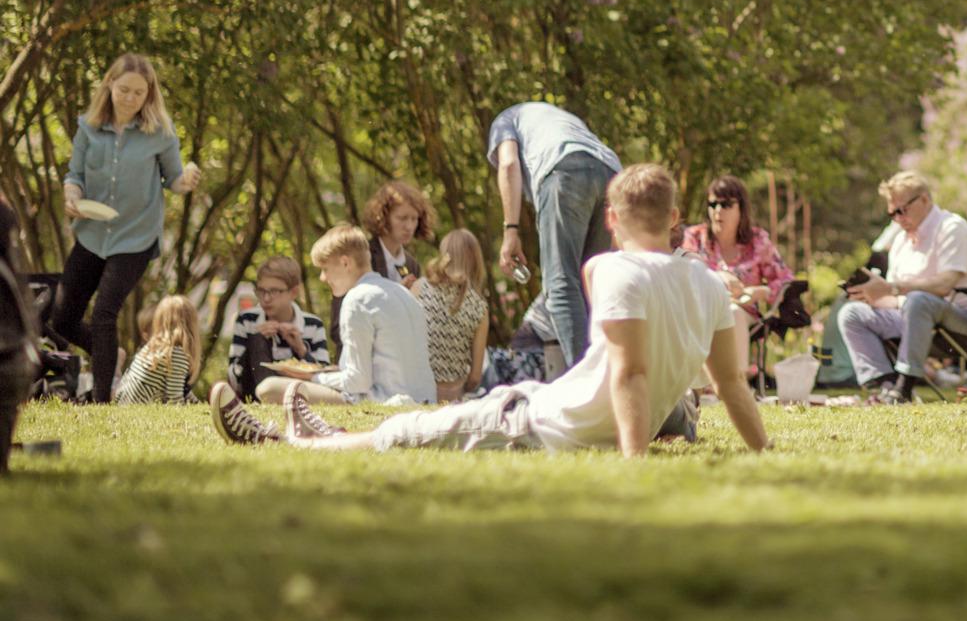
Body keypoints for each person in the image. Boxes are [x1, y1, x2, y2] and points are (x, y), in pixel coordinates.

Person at [210, 164, 769, 459]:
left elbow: (631, 371)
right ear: (676, 216)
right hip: (538, 404)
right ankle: (318, 432)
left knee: (413, 431)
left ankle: (292, 443)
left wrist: (633, 462)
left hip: (539, 423)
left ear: (612, 219)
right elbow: (733, 386)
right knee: (426, 423)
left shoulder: (615, 269)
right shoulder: (708, 284)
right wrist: (763, 451)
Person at [51, 53, 199, 402]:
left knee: (104, 313)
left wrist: (187, 180)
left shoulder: (159, 133)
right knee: (62, 317)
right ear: (109, 86)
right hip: (92, 233)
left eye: (139, 92)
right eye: (124, 90)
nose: (131, 98)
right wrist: (72, 193)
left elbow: (173, 179)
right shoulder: (88, 127)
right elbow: (75, 176)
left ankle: (102, 401)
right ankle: (110, 353)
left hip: (135, 236)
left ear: (150, 94)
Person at [486, 101, 623, 374]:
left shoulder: (504, 120)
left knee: (561, 285)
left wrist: (510, 229)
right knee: (591, 284)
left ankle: (586, 382)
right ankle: (610, 375)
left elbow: (509, 164)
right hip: (611, 173)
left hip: (563, 169)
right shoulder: (558, 117)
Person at [836, 170, 967, 405]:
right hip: (913, 320)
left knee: (918, 299)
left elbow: (944, 285)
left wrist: (892, 288)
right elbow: (896, 299)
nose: (897, 218)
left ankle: (904, 387)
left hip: (962, 325)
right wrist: (870, 296)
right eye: (891, 213)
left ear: (924, 200)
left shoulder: (952, 228)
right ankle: (886, 388)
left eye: (901, 210)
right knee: (851, 313)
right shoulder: (901, 240)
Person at [259, 225, 430, 408]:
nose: (323, 278)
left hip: (386, 403)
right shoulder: (402, 292)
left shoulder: (357, 299)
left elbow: (358, 382)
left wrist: (313, 376)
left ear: (345, 263)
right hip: (425, 400)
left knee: (268, 388)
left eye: (325, 269)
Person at [681, 174, 794, 346]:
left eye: (726, 204)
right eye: (713, 204)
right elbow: (683, 273)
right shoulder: (694, 237)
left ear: (741, 208)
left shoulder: (758, 242)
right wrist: (717, 277)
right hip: (700, 314)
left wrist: (762, 292)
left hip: (741, 315)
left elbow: (787, 281)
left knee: (732, 312)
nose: (718, 210)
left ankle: (739, 373)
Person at [226, 256, 331, 398]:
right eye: (261, 291)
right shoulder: (247, 320)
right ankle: (269, 397)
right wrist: (255, 342)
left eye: (274, 291)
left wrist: (301, 350)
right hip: (254, 396)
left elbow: (325, 380)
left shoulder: (313, 325)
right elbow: (233, 379)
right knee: (258, 341)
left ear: (293, 292)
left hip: (299, 396)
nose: (266, 299)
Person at [421, 230, 490, 403]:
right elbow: (475, 377)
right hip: (454, 400)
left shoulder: (419, 289)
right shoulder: (480, 308)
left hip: (419, 393)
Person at [114, 295, 200, 404]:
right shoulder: (176, 354)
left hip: (124, 403)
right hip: (138, 410)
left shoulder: (156, 347)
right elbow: (174, 398)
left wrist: (198, 404)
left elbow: (182, 388)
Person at [362, 180, 435, 290]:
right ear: (384, 217)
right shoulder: (363, 257)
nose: (409, 227)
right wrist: (397, 292)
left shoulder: (412, 265)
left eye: (414, 219)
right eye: (402, 218)